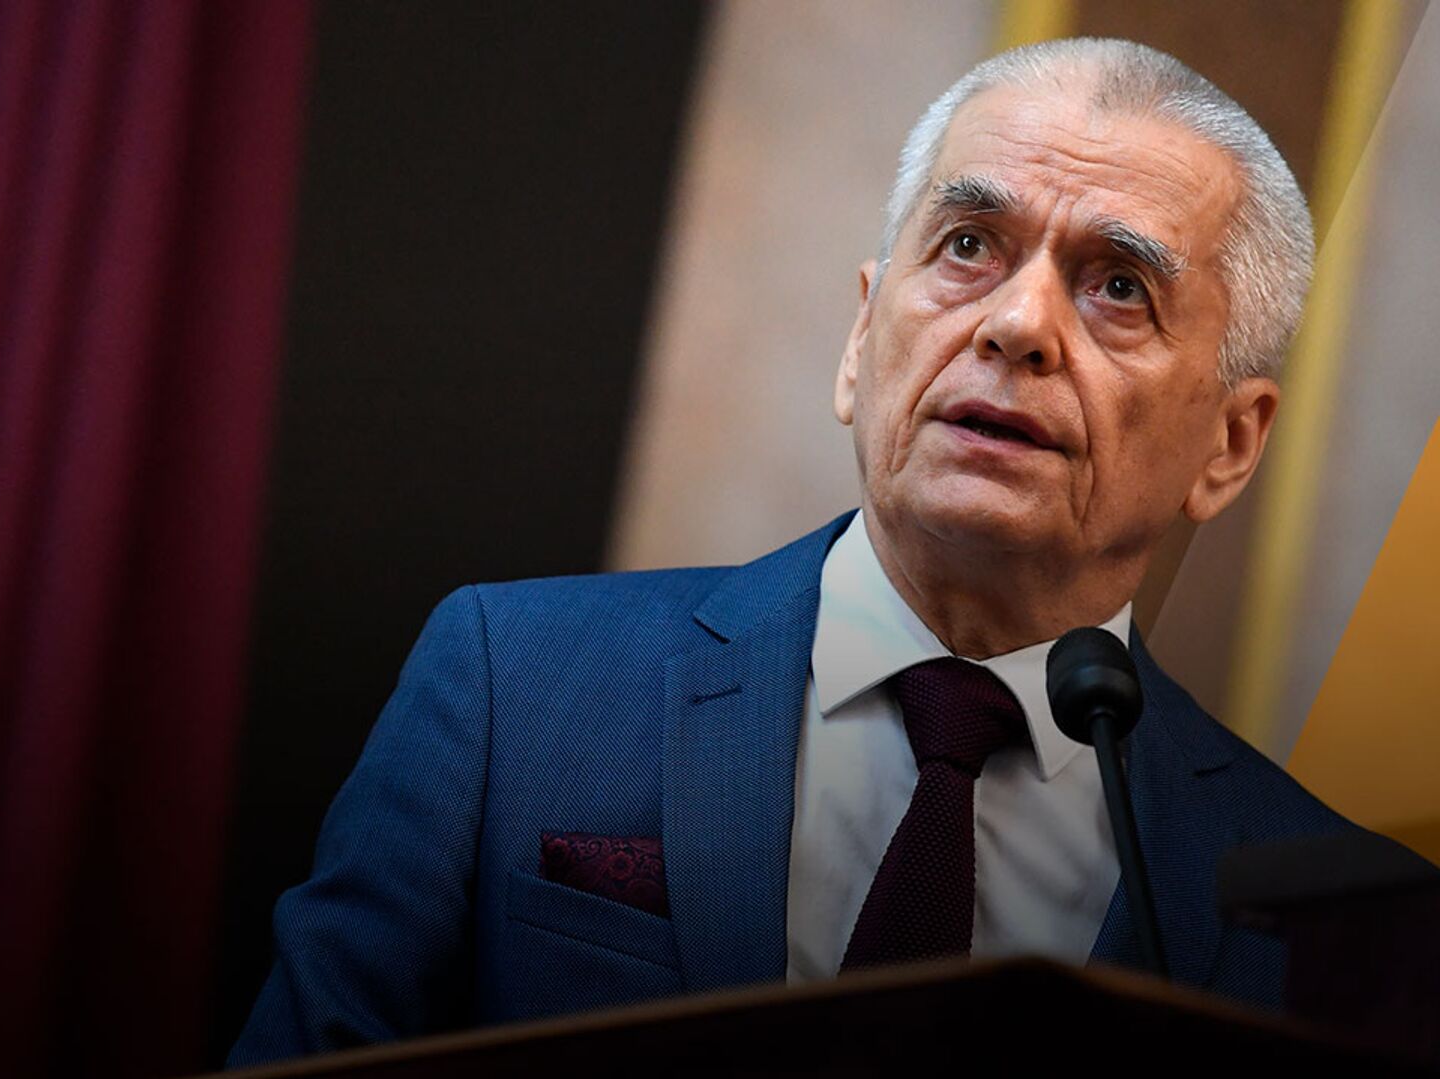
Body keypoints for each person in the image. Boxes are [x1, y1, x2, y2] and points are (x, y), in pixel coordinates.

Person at [228, 37, 1361, 1067]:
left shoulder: (1327, 912)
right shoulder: (511, 686)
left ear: (1230, 443)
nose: (1017, 325)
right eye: (969, 245)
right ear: (862, 340)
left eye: (1119, 286)